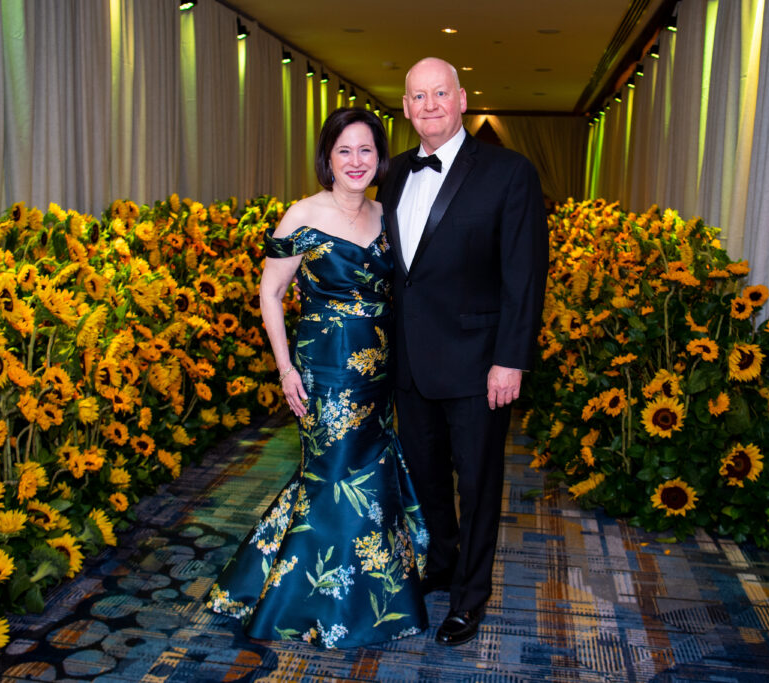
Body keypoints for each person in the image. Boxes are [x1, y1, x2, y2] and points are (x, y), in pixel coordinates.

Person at [208, 107, 429, 649]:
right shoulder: (301, 216)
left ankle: (363, 594)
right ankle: (312, 600)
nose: (356, 162)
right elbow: (270, 293)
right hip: (323, 370)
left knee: (366, 478)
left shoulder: (387, 212)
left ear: (379, 157)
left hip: (379, 374)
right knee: (332, 476)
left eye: (366, 151)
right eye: (344, 152)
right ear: (327, 159)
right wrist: (285, 369)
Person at [376, 57, 548, 646]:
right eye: (417, 96)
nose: (429, 105)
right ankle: (442, 565)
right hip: (410, 363)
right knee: (426, 480)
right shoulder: (393, 173)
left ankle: (470, 598)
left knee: (477, 486)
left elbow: (524, 275)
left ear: (462, 99)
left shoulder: (509, 172)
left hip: (480, 366)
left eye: (439, 94)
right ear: (404, 107)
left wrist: (512, 358)